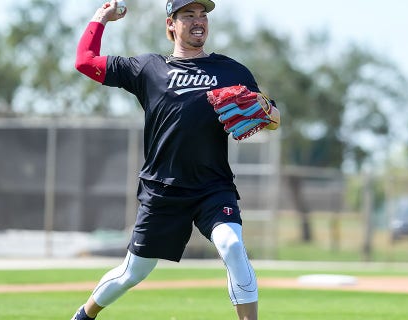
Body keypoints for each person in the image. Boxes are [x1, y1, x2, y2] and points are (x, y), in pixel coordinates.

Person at [71, 1, 279, 319]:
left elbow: (274, 118)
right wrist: (102, 18)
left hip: (212, 187)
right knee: (133, 272)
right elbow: (85, 62)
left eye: (203, 14)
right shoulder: (148, 69)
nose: (199, 20)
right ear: (171, 24)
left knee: (233, 245)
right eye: (188, 15)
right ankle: (84, 315)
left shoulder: (231, 71)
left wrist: (265, 109)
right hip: (162, 190)